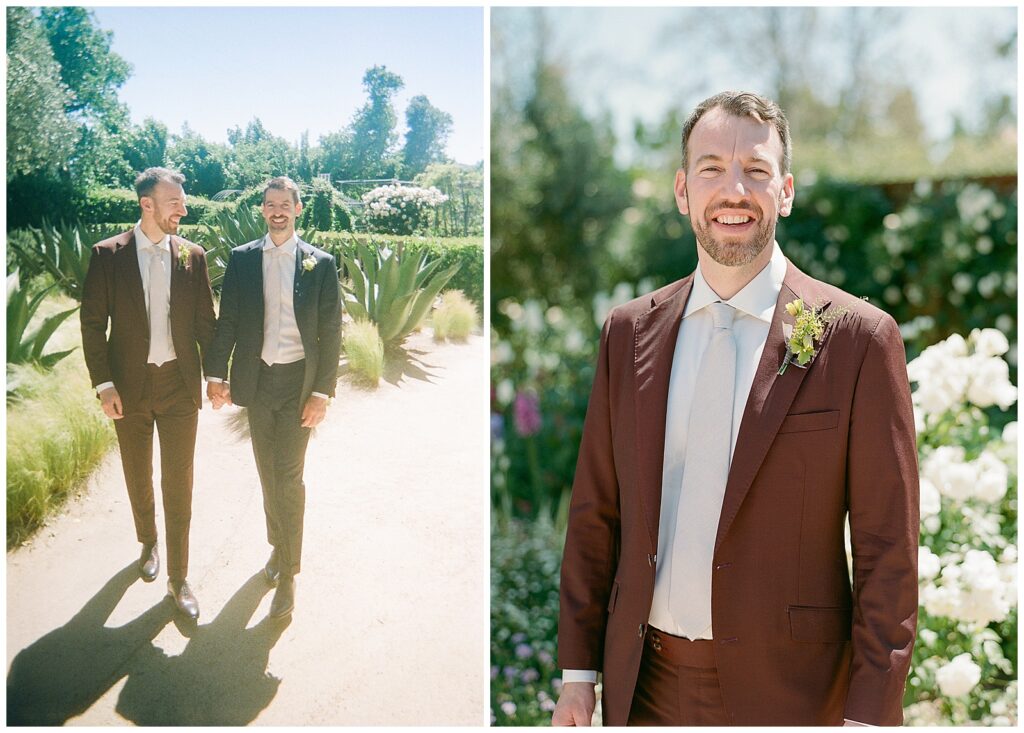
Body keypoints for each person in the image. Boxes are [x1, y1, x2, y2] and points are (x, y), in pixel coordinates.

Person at [552, 91, 919, 726]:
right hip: (645, 688)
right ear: (681, 190)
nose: (734, 190)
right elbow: (595, 513)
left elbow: (889, 548)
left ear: (786, 191)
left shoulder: (859, 339)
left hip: (794, 697)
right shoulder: (627, 332)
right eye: (711, 168)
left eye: (756, 169)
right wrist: (578, 676)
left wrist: (869, 715)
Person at [81, 167, 216, 620]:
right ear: (148, 205)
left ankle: (179, 579)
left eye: (182, 200)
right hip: (129, 390)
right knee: (138, 476)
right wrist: (104, 385)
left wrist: (217, 377)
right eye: (175, 200)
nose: (184, 207)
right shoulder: (107, 255)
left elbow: (205, 325)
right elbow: (93, 324)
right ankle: (148, 542)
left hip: (179, 387)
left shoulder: (192, 256)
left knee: (180, 483)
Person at [204, 176, 342, 620]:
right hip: (258, 382)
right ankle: (278, 548)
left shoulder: (320, 264)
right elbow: (227, 322)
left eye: (285, 204)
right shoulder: (243, 259)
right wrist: (215, 375)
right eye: (270, 204)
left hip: (299, 385)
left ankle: (288, 573)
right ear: (262, 210)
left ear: (298, 210)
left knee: (290, 478)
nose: (277, 210)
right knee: (267, 475)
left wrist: (322, 392)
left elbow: (332, 332)